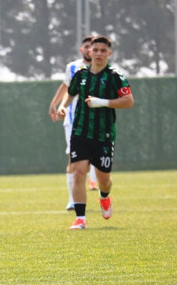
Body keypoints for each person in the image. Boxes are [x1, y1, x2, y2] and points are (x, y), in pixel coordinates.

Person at [57, 35, 133, 230]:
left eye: (102, 51)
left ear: (109, 53)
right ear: (89, 52)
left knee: (103, 179)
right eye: (95, 50)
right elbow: (71, 92)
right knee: (79, 172)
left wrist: (103, 102)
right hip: (80, 132)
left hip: (104, 135)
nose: (98, 54)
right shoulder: (81, 75)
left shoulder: (115, 77)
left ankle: (104, 196)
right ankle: (80, 218)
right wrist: (62, 106)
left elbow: (129, 101)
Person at [48, 35, 98, 211]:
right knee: (73, 158)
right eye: (86, 46)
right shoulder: (72, 67)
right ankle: (72, 200)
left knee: (94, 159)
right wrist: (54, 104)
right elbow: (66, 86)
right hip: (73, 121)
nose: (89, 50)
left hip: (96, 121)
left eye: (92, 47)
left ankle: (102, 191)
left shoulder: (102, 69)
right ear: (81, 49)